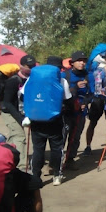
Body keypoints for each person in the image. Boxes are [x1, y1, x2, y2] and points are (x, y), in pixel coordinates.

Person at [26, 57, 73, 186]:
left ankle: (36, 177)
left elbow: (23, 94)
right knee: (57, 148)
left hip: (36, 120)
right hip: (55, 120)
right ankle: (57, 175)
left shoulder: (32, 79)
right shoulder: (61, 80)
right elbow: (68, 99)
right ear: (59, 68)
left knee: (38, 150)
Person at [0, 55, 36, 165]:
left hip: (21, 111)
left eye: (33, 66)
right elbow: (7, 102)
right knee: (19, 136)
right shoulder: (13, 81)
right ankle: (22, 166)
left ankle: (6, 160)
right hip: (8, 111)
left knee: (13, 137)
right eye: (28, 66)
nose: (31, 68)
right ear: (21, 66)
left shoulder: (31, 79)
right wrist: (21, 119)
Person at [83, 49, 106, 156]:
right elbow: (98, 90)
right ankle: (88, 146)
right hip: (99, 100)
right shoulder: (100, 73)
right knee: (93, 123)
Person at [63, 51, 92, 170]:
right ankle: (56, 162)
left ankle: (70, 159)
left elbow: (91, 94)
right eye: (79, 60)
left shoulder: (88, 76)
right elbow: (60, 93)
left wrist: (85, 103)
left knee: (75, 136)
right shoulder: (65, 75)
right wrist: (75, 87)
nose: (82, 63)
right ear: (72, 62)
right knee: (62, 136)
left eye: (84, 61)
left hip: (80, 112)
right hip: (66, 111)